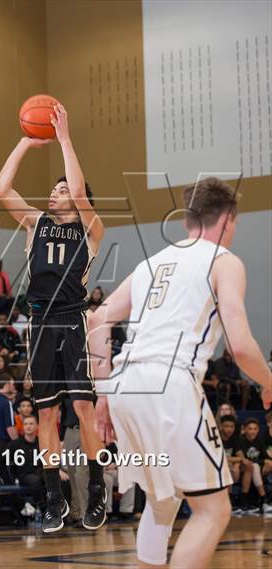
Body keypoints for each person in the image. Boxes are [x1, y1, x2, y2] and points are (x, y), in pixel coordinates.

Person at [88, 177, 272, 569]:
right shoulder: (224, 261)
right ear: (227, 221)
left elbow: (97, 320)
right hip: (168, 384)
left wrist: (103, 395)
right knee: (213, 511)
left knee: (162, 500)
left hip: (125, 385)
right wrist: (270, 383)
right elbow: (240, 346)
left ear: (189, 220)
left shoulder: (150, 264)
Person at [0, 103, 106, 533]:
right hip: (40, 322)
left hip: (72, 320)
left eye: (63, 190)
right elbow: (1, 186)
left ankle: (96, 490)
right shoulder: (35, 223)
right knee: (46, 416)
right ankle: (54, 498)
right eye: (55, 189)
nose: (56, 193)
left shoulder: (90, 228)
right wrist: (25, 141)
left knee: (83, 408)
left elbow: (79, 193)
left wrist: (63, 138)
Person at [236, 418, 272, 514]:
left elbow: (265, 456)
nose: (252, 431)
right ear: (245, 429)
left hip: (255, 467)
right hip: (243, 468)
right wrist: (262, 461)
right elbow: (245, 460)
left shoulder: (259, 440)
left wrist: (266, 461)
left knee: (267, 464)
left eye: (255, 429)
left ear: (258, 430)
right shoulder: (240, 440)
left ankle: (265, 499)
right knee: (254, 466)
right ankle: (263, 500)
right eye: (250, 429)